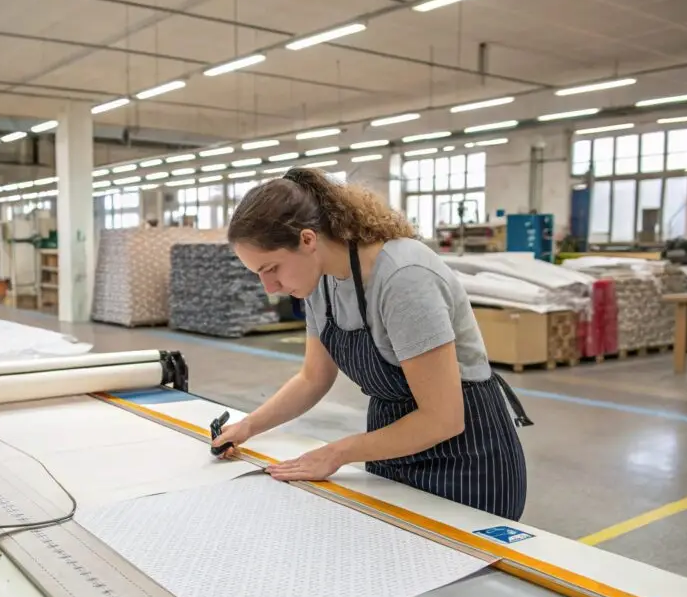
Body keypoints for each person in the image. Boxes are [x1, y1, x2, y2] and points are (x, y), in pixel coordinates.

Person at [212, 167, 531, 520]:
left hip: (466, 459)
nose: (269, 288)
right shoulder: (321, 283)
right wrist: (249, 426)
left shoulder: (402, 278)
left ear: (307, 239)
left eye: (271, 268)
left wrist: (337, 453)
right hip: (391, 445)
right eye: (258, 274)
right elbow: (313, 378)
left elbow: (442, 418)